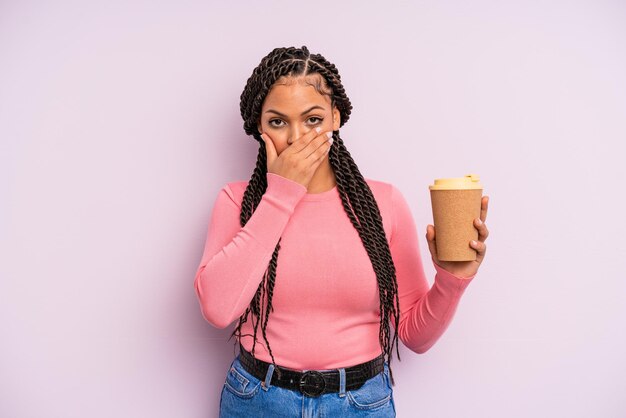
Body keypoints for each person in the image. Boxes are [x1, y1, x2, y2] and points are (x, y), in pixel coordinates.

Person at [193, 45, 490, 417]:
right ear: (259, 127)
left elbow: (414, 337)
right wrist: (282, 195)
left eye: (313, 119)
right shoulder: (237, 202)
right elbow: (218, 310)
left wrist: (451, 280)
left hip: (360, 404)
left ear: (335, 117)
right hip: (259, 400)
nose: (297, 137)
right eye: (278, 121)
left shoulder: (383, 204)